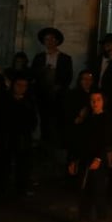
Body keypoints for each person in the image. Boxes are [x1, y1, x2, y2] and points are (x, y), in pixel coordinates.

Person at [70, 91, 112, 222]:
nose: (95, 103)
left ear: (103, 101)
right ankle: (84, 218)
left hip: (97, 158)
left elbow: (105, 140)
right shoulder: (88, 119)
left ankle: (102, 218)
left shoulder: (106, 118)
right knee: (84, 188)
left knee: (98, 188)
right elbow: (80, 140)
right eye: (92, 100)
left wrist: (99, 158)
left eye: (98, 100)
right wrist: (75, 160)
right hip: (85, 157)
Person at [31, 26, 73, 157]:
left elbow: (68, 76)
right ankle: (44, 146)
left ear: (56, 41)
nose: (49, 41)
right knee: (44, 120)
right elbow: (33, 74)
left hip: (58, 95)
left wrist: (59, 86)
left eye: (52, 39)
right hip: (42, 94)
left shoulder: (65, 58)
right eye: (46, 39)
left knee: (58, 119)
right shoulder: (39, 58)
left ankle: (57, 146)